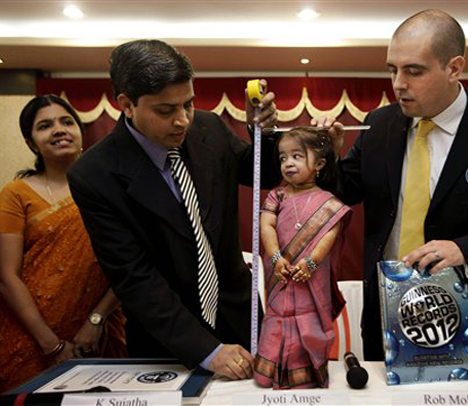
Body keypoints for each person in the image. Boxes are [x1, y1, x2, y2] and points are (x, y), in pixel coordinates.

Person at [331, 9, 468, 360]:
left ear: (454, 68)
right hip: (385, 313)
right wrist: (325, 158)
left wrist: (465, 249)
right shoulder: (378, 125)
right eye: (393, 69)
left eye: (414, 71)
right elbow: (346, 188)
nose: (398, 84)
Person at [67, 39, 280, 380]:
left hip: (243, 320)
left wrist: (263, 133)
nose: (182, 120)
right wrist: (207, 351)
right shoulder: (94, 174)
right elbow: (135, 278)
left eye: (189, 104)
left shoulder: (208, 128)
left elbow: (263, 174)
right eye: (165, 111)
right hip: (167, 345)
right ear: (126, 104)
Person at [0, 95, 126, 393]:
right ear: (32, 143)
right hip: (27, 333)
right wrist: (50, 344)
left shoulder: (112, 188)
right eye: (45, 126)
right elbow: (6, 277)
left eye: (67, 121)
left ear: (81, 133)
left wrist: (96, 320)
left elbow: (130, 264)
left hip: (96, 332)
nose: (58, 130)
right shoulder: (16, 194)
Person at [254, 127, 350, 389]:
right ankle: (270, 373)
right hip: (281, 274)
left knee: (307, 323)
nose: (288, 164)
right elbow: (266, 226)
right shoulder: (277, 195)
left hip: (311, 277)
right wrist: (275, 257)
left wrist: (310, 263)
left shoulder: (328, 201)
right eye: (283, 158)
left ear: (319, 164)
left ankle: (306, 375)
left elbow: (330, 234)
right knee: (277, 319)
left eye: (297, 156)